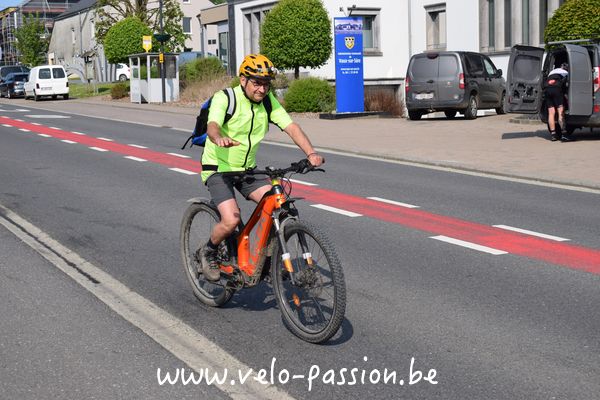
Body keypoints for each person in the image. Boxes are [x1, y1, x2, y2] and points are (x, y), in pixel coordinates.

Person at [198, 53, 324, 281]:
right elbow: (213, 125)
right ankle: (208, 251)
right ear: (243, 80)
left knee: (278, 207)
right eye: (257, 83)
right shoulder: (225, 98)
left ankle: (264, 260)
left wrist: (311, 153)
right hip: (218, 168)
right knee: (231, 220)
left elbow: (291, 127)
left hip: (247, 169)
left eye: (266, 84)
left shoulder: (267, 101)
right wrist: (218, 138)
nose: (262, 89)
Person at [545, 62, 572, 142]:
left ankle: (553, 135)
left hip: (547, 89)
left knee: (551, 113)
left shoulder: (552, 71)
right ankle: (564, 134)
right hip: (556, 89)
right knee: (560, 111)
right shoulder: (566, 73)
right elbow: (567, 85)